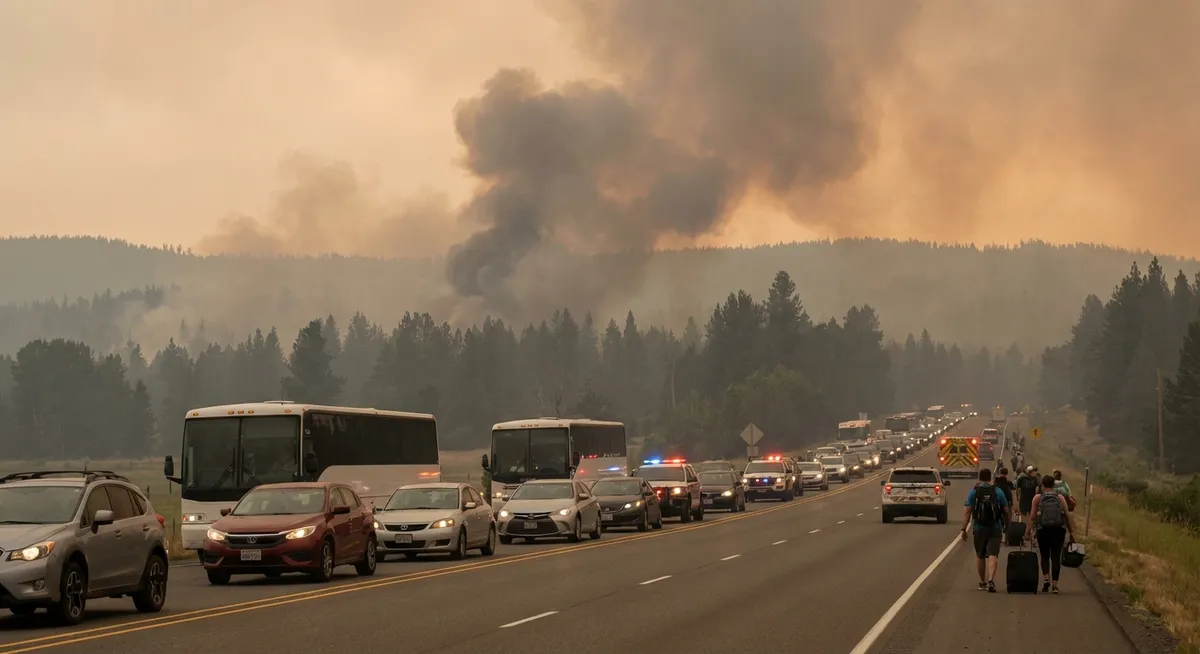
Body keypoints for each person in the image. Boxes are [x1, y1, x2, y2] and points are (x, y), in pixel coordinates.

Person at [961, 467, 1010, 593]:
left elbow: (968, 511)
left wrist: (964, 528)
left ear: (979, 478)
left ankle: (982, 582)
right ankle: (991, 580)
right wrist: (1007, 525)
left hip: (979, 527)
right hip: (995, 527)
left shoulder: (974, 492)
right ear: (991, 478)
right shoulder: (997, 491)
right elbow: (1005, 510)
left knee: (980, 555)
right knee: (993, 554)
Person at [1027, 474, 1075, 593]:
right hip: (1059, 529)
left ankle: (1046, 579)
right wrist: (1071, 532)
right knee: (1055, 556)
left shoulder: (1038, 498)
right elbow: (1067, 515)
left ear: (1042, 485)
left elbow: (1032, 517)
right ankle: (1055, 585)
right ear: (1054, 485)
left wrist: (1026, 532)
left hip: (1042, 529)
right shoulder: (1060, 498)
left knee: (1044, 555)